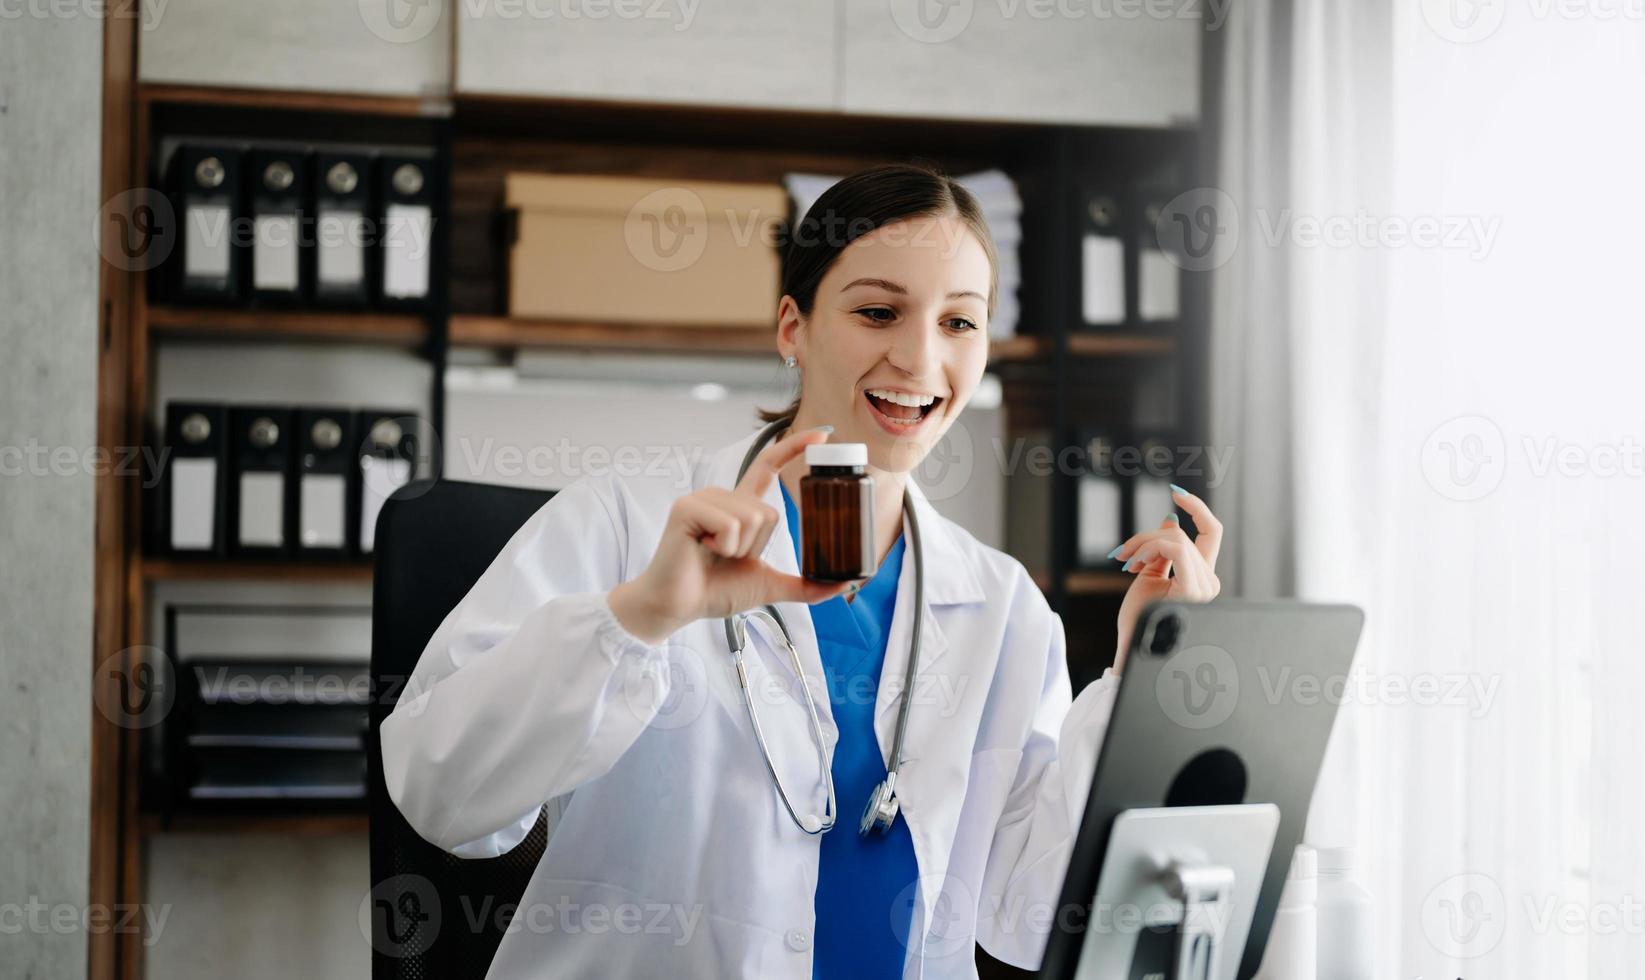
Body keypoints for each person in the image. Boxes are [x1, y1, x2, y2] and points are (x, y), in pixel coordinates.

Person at [380, 162, 1223, 979]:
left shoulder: (1001, 605)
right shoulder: (625, 524)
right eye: (878, 311)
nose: (919, 360)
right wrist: (637, 618)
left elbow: (1030, 915)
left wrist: (1140, 671)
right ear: (793, 328)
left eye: (958, 323)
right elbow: (441, 795)